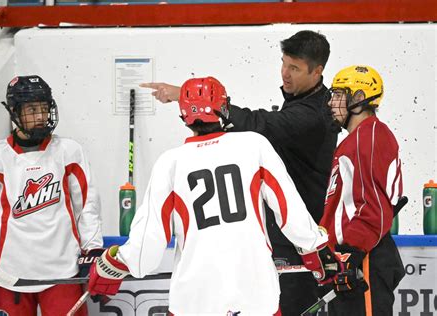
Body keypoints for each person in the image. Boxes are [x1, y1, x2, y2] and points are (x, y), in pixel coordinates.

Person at [87, 77, 344, 315]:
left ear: (184, 115)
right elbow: (290, 212)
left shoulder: (170, 163)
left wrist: (115, 262)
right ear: (223, 108)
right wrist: (316, 249)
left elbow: (146, 249)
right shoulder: (253, 145)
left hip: (196, 299)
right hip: (255, 295)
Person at [140, 30, 337, 315]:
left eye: (294, 68)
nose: (285, 73)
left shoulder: (313, 114)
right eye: (283, 63)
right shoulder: (299, 101)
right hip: (288, 238)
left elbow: (261, 124)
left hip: (299, 240)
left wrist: (196, 101)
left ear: (317, 71)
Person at [0, 75, 103, 315]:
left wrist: (93, 251)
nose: (40, 117)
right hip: (7, 276)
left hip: (63, 273)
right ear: (14, 112)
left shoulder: (69, 152)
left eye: (44, 108)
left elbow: (87, 208)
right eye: (31, 110)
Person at [320, 65, 405, 315]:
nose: (331, 103)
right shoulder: (354, 140)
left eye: (338, 94)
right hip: (349, 258)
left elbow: (373, 204)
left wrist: (354, 252)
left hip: (364, 257)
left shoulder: (369, 135)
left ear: (358, 98)